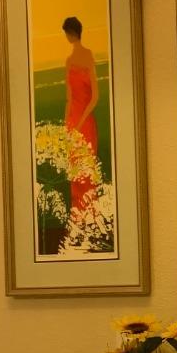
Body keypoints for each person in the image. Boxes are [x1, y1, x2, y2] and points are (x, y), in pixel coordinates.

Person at [61, 16, 100, 210]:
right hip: (74, 122)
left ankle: (89, 214)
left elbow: (95, 97)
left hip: (84, 123)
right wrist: (66, 124)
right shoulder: (69, 61)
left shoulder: (86, 56)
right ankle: (79, 215)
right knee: (76, 172)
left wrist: (78, 120)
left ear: (70, 34)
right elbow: (69, 98)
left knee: (85, 171)